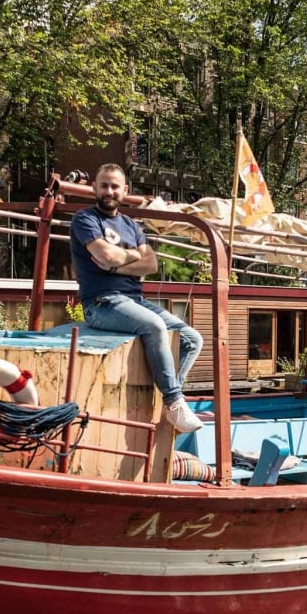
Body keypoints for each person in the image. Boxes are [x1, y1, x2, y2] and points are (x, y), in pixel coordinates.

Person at [69, 163, 204, 433]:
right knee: (154, 326)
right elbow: (106, 255)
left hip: (133, 300)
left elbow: (150, 264)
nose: (109, 191)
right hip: (101, 302)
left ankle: (165, 396)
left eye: (115, 186)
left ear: (124, 190)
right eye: (104, 185)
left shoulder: (131, 224)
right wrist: (130, 255)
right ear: (95, 187)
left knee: (192, 338)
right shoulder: (85, 219)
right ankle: (174, 401)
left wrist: (117, 262)